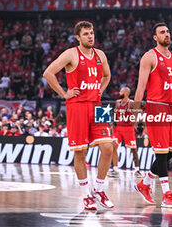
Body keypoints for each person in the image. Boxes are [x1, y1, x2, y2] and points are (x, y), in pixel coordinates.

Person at [43, 21, 114, 211]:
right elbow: (48, 73)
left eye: (91, 33)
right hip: (77, 106)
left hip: (98, 106)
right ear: (78, 37)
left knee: (108, 147)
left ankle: (99, 189)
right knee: (80, 152)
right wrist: (64, 93)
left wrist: (100, 89)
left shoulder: (101, 55)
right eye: (86, 34)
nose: (90, 36)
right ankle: (85, 195)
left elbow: (107, 76)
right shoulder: (71, 54)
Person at [133, 23, 172, 208]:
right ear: (155, 37)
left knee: (171, 152)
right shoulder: (149, 57)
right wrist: (135, 112)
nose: (166, 34)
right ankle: (167, 194)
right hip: (155, 107)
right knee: (162, 153)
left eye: (167, 31)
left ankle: (145, 183)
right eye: (162, 32)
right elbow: (141, 87)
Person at [114, 87, 142, 178]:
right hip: (118, 128)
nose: (119, 92)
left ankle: (137, 170)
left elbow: (138, 113)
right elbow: (114, 114)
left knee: (133, 149)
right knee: (113, 147)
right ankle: (115, 170)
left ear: (126, 93)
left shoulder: (131, 103)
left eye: (121, 91)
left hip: (128, 128)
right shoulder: (117, 102)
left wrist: (136, 122)